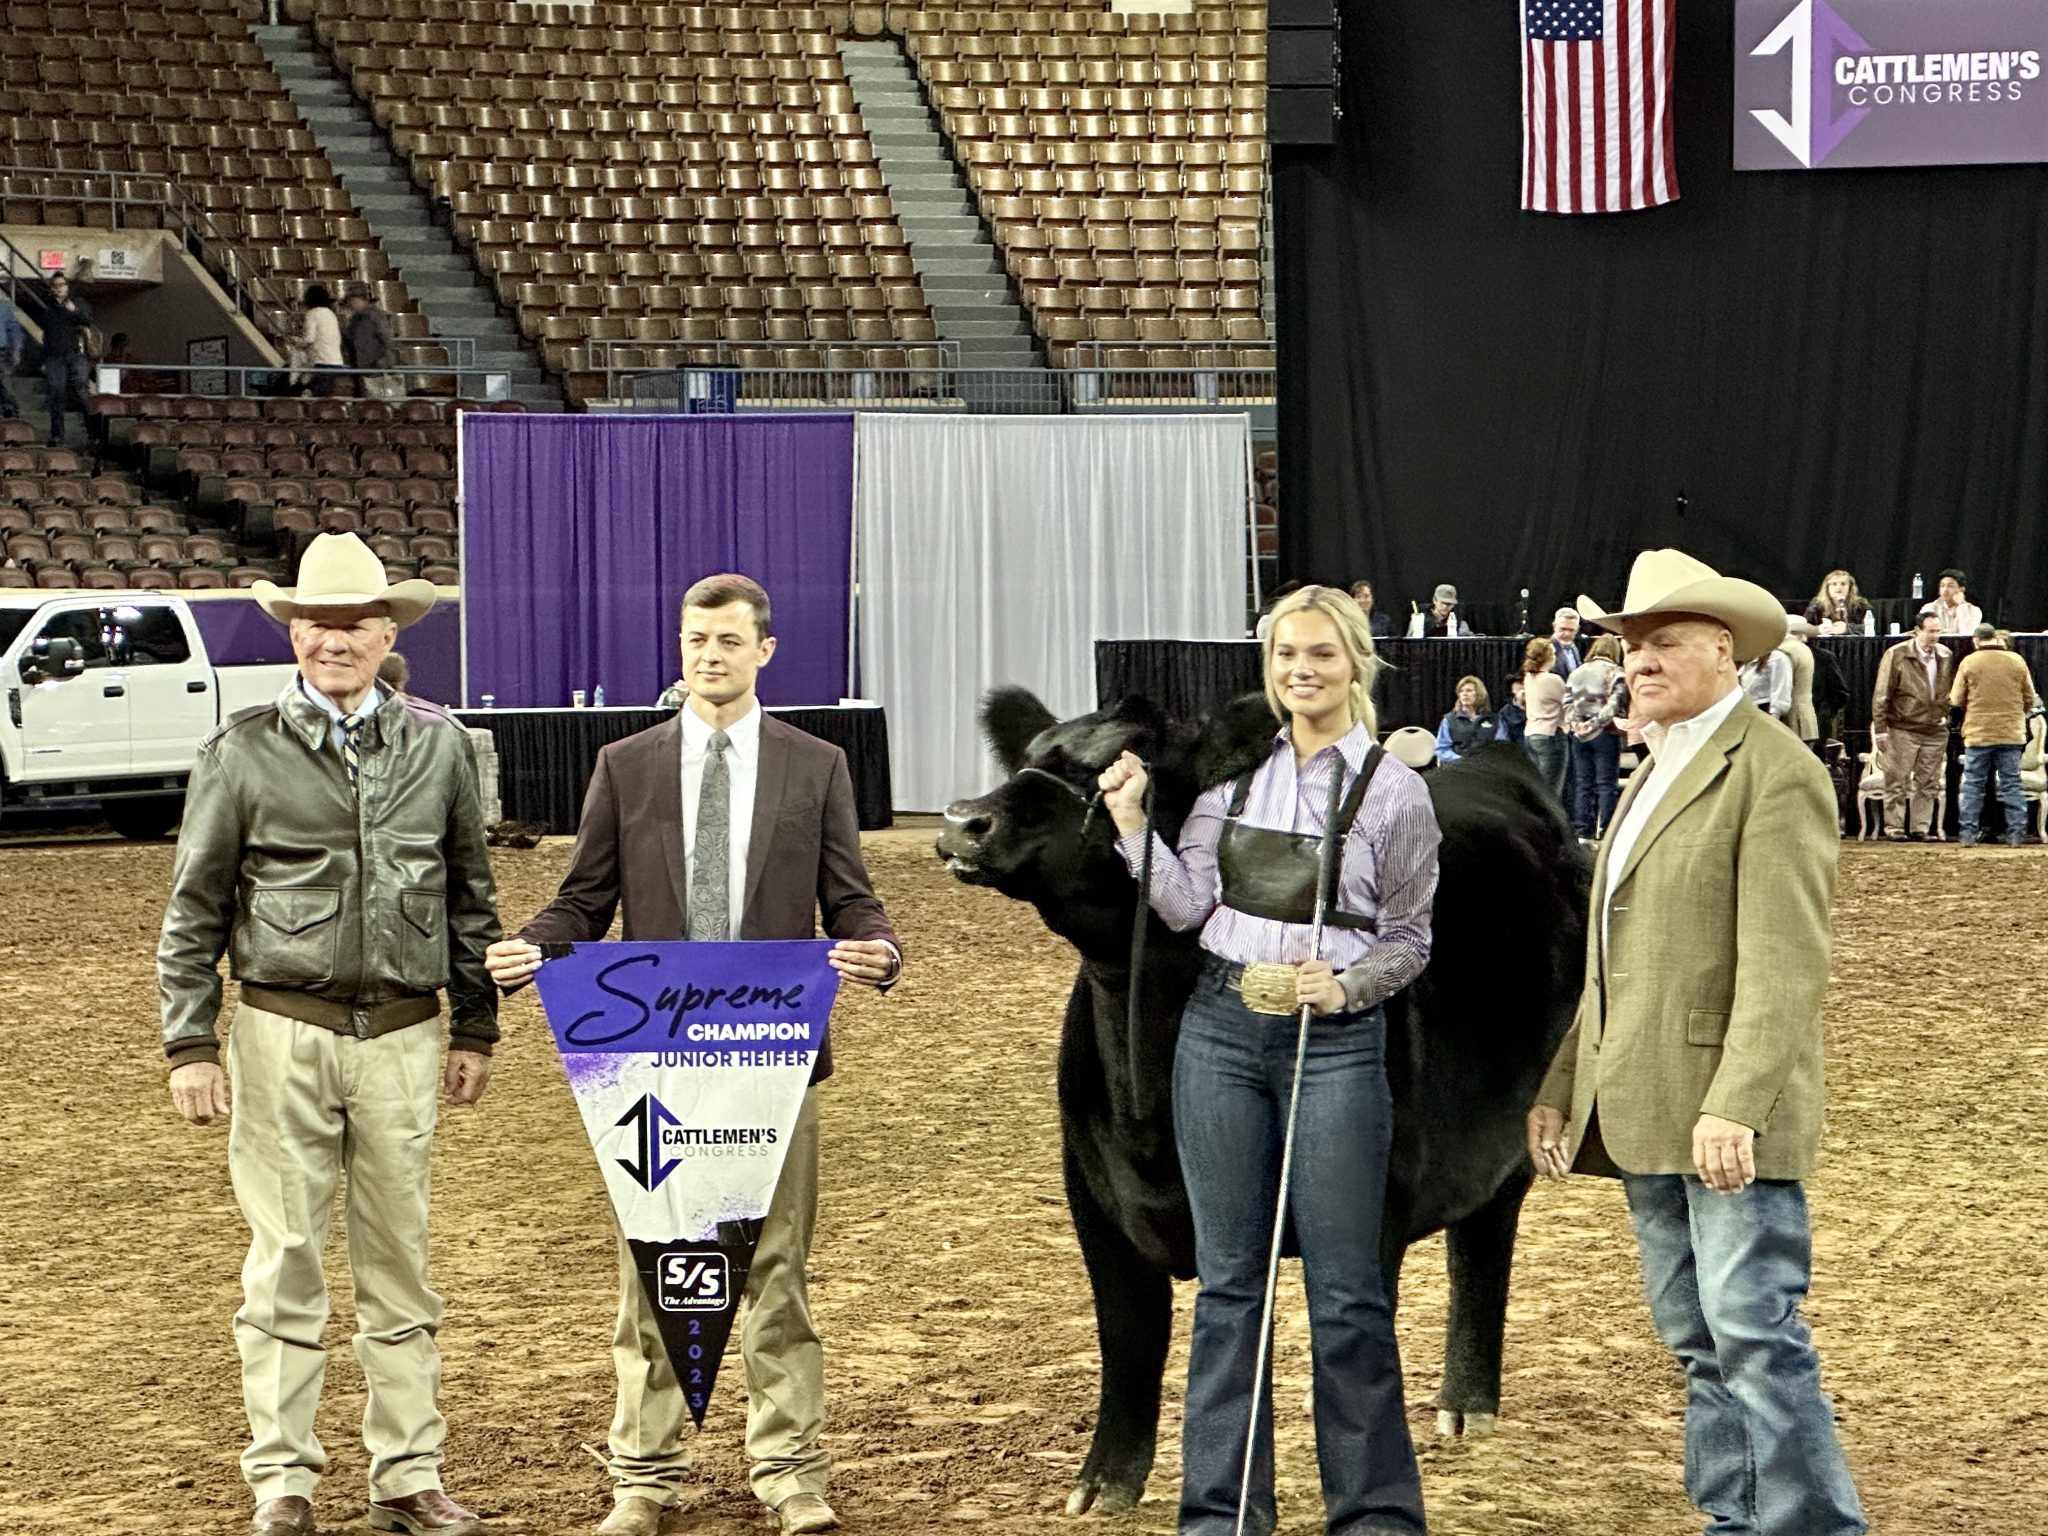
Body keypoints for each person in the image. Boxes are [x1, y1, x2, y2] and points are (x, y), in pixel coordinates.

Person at [483, 572, 902, 1536]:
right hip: (653, 1065)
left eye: (725, 640)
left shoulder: (816, 765)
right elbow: (585, 899)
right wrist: (534, 944)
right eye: (693, 640)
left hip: (774, 1061)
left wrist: (879, 947)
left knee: (778, 1267)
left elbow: (851, 899)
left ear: (765, 650)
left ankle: (792, 1473)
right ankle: (643, 1477)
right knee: (653, 1265)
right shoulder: (626, 764)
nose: (707, 656)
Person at [156, 533, 502, 1536]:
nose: (334, 641)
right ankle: (283, 1484)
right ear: (292, 632)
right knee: (284, 1264)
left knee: (401, 1265)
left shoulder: (439, 745)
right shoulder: (240, 750)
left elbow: (471, 898)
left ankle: (408, 1474)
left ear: (384, 632)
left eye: (353, 624)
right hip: (276, 1034)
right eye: (315, 624)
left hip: (403, 1037)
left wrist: (474, 1027)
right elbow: (193, 911)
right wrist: (189, 1042)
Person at [1529, 547, 1867, 1536]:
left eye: (1662, 641)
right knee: (1697, 1336)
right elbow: (1610, 960)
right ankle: (1735, 1520)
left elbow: (1783, 964)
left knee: (1751, 1334)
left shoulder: (1777, 773)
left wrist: (1735, 1102)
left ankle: (1809, 1528)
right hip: (1639, 1099)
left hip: (1720, 1113)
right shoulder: (1654, 764)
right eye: (1630, 643)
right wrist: (1561, 1080)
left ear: (1722, 650)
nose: (1637, 660)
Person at [1096, 584, 1436, 1536]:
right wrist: (1132, 825)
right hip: (1220, 1033)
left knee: (1347, 1292)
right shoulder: (1231, 786)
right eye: (1287, 654)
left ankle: (1373, 1516)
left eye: (1321, 654)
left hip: (1332, 1048)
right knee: (1229, 1286)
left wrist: (1350, 986)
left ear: (1356, 663)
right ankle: (1221, 1517)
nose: (1302, 670)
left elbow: (1410, 938)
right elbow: (1183, 906)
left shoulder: (1397, 792)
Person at [1949, 623, 2040, 847]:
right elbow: (2029, 697)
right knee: (2011, 784)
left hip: (1978, 733)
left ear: (1976, 640)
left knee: (1973, 785)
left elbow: (1956, 699)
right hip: (2010, 733)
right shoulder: (2016, 661)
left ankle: (1968, 834)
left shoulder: (1969, 662)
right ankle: (2016, 834)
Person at [1871, 611, 1954, 841]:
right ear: (1918, 631)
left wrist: (1944, 715)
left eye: (1938, 631)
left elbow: (1945, 690)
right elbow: (1882, 694)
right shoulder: (1897, 654)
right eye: (1931, 631)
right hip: (1903, 727)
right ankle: (1894, 827)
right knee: (1897, 779)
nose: (1935, 636)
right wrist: (1881, 729)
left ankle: (1920, 828)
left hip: (1935, 729)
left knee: (1928, 781)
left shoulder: (1945, 655)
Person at [1563, 635, 1627, 838]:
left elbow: (1566, 703)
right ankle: (1606, 831)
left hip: (1578, 735)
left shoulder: (1576, 672)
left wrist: (1577, 726)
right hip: (1605, 734)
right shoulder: (1616, 673)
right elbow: (1613, 706)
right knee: (1606, 784)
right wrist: (1594, 725)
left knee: (1583, 783)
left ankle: (1583, 831)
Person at [40, 272, 94, 445]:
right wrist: (44, 359)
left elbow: (87, 321)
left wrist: (74, 311)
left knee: (82, 392)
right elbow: (46, 336)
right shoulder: (48, 309)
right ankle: (57, 435)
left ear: (67, 287)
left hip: (74, 354)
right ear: (52, 289)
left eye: (62, 285)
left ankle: (93, 432)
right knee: (56, 394)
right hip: (54, 357)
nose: (59, 288)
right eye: (55, 285)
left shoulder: (77, 303)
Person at [1519, 636, 1566, 795]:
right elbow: (1567, 703)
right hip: (1550, 735)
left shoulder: (1528, 678)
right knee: (1551, 790)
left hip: (1530, 734)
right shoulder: (1553, 680)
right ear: (1548, 657)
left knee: (1536, 787)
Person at [1433, 673, 1502, 762]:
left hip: (1487, 767)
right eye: (1461, 691)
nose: (1464, 694)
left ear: (1480, 694)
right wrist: (1462, 761)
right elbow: (1441, 749)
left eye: (1469, 690)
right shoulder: (1449, 720)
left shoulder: (1495, 720)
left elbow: (1502, 747)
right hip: (1458, 767)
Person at [344, 282, 396, 397]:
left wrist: (383, 361)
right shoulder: (356, 319)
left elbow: (386, 339)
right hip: (361, 365)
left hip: (373, 365)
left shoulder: (374, 316)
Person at [293, 284, 345, 398]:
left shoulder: (312, 313)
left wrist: (296, 341)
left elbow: (309, 339)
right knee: (325, 392)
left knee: (312, 390)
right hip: (336, 360)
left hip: (321, 360)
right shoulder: (331, 314)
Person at [1779, 618, 1820, 748]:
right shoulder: (1803, 650)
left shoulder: (1784, 651)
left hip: (1791, 722)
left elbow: (1781, 688)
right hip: (1806, 720)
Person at [1803, 570, 1872, 636]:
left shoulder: (1861, 604)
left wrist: (1847, 629)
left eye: (1843, 584)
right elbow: (1804, 626)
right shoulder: (1817, 605)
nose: (1838, 587)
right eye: (1834, 584)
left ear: (1850, 588)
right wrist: (1819, 629)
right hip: (1824, 645)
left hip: (1854, 645)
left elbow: (1871, 628)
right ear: (1827, 588)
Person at [1737, 643, 1792, 720]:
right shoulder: (1748, 657)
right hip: (1746, 711)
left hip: (1764, 712)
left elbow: (1781, 690)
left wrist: (1774, 717)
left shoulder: (1777, 657)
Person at [1919, 569, 1982, 635]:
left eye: (1950, 586)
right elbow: (1926, 632)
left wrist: (1962, 605)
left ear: (1961, 590)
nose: (1945, 590)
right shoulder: (1929, 608)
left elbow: (1967, 633)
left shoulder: (1973, 610)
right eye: (1942, 586)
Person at [1406, 582, 1471, 638]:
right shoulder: (1419, 620)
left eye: (1449, 604)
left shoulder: (1459, 622)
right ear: (1434, 600)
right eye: (1442, 602)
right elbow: (1410, 643)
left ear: (1453, 605)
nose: (1445, 606)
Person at [0, 299, 21, 419]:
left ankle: (10, 409)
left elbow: (14, 329)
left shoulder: (3, 307)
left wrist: (16, 350)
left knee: (3, 381)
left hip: (1, 351)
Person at [1548, 608, 1582, 675]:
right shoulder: (1545, 648)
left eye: (1571, 630)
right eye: (1563, 629)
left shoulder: (1574, 647)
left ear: (1577, 630)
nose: (1567, 634)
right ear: (1554, 626)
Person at [1497, 675, 1527, 745]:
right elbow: (1503, 738)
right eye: (1519, 690)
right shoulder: (1505, 712)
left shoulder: (1538, 707)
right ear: (1512, 691)